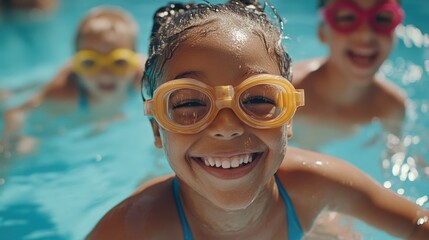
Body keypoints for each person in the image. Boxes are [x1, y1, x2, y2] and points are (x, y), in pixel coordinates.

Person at [87, 1, 429, 239]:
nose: (227, 125)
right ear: (155, 129)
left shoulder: (317, 184)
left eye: (257, 99)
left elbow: (416, 225)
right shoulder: (135, 227)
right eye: (190, 102)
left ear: (290, 115)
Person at [1, 6, 146, 156]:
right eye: (90, 62)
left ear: (133, 61)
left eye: (119, 62)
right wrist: (14, 142)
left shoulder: (143, 75)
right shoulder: (63, 91)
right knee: (13, 95)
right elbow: (16, 110)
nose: (105, 73)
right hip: (64, 82)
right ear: (77, 65)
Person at [291, 0, 406, 150]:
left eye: (382, 18)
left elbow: (396, 152)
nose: (366, 34)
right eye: (347, 18)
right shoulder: (287, 92)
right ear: (322, 32)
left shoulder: (391, 106)